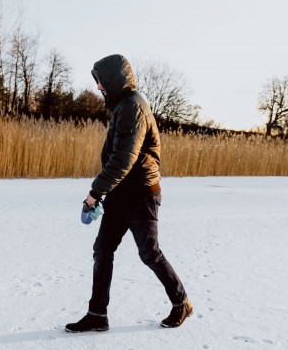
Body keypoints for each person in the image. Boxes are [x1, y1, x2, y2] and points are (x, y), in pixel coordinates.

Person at [65, 54, 193, 333]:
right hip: (121, 194)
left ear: (113, 79)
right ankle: (97, 314)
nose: (99, 88)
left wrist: (94, 193)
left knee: (148, 252)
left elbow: (124, 159)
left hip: (141, 194)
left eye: (100, 82)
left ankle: (181, 302)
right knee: (103, 250)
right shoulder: (124, 105)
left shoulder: (133, 106)